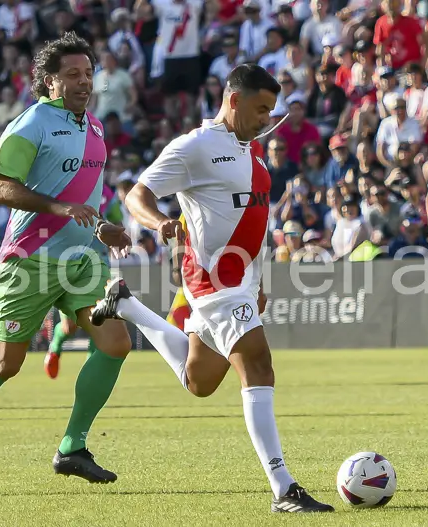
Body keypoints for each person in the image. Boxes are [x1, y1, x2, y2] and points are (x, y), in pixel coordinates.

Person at [89, 64, 334, 513]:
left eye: (272, 111)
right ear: (233, 100)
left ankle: (128, 306)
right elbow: (137, 196)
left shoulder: (254, 154)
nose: (267, 119)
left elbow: (257, 224)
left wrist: (259, 282)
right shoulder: (195, 147)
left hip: (242, 282)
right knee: (258, 364)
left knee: (200, 382)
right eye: (261, 109)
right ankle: (284, 488)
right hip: (212, 280)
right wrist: (161, 222)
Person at [0, 33, 134, 496]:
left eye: (88, 73)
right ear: (50, 82)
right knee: (6, 364)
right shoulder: (30, 124)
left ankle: (72, 446)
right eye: (73, 75)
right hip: (31, 259)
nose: (84, 82)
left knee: (116, 342)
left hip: (84, 258)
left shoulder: (96, 128)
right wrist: (61, 209)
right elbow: (0, 188)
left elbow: (84, 199)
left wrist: (103, 226)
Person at [44, 182, 125, 379]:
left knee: (100, 320)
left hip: (99, 262)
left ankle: (91, 371)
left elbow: (118, 220)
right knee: (69, 326)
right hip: (69, 261)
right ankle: (55, 347)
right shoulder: (67, 185)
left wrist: (113, 230)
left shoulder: (108, 195)